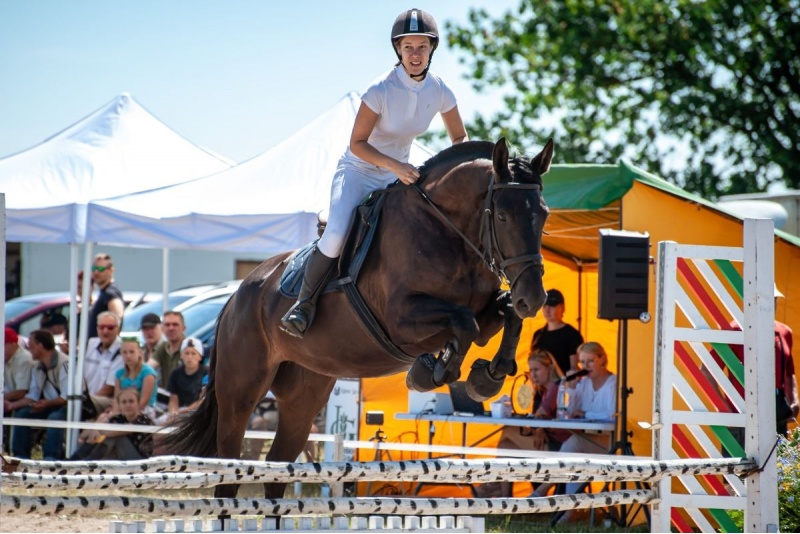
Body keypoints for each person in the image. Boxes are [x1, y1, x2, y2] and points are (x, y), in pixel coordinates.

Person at [280, 7, 468, 338]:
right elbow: (357, 144)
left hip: (401, 175)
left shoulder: (440, 90)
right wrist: (396, 166)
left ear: (431, 50)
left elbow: (460, 139)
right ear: (398, 50)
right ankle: (304, 304)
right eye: (408, 47)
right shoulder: (379, 89)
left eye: (422, 47)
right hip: (359, 171)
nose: (415, 54)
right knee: (337, 233)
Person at [532, 341, 617, 523]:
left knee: (574, 443)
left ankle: (545, 487)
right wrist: (570, 387)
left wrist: (586, 413)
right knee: (574, 451)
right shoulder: (584, 384)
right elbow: (568, 413)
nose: (585, 367)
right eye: (582, 362)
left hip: (608, 443)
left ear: (602, 359)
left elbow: (612, 416)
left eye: (590, 361)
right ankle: (570, 512)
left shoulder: (613, 383)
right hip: (586, 440)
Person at [710, 284, 799, 438]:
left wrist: (794, 400)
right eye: (767, 300)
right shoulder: (734, 331)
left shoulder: (784, 332)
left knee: (777, 462)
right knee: (738, 463)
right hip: (741, 418)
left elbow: (789, 372)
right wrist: (725, 410)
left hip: (776, 418)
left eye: (775, 300)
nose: (772, 305)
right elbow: (707, 370)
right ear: (753, 301)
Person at [8, 330, 69, 460]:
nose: (29, 348)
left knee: (55, 418)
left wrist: (46, 403)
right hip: (48, 405)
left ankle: (51, 458)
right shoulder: (37, 367)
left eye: (31, 344)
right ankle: (20, 457)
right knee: (21, 414)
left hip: (67, 407)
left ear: (40, 345)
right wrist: (13, 405)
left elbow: (65, 397)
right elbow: (33, 395)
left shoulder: (65, 363)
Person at [70, 388, 154, 461]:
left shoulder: (143, 420)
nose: (127, 405)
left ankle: (84, 461)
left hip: (140, 460)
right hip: (119, 456)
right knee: (102, 434)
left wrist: (97, 429)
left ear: (138, 404)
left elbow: (116, 432)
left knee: (115, 437)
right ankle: (76, 461)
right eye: (124, 402)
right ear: (120, 405)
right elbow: (83, 435)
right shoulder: (119, 418)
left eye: (131, 401)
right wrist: (96, 427)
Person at [530, 288, 584, 375]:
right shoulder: (538, 335)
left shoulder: (572, 335)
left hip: (563, 386)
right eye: (544, 306)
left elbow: (574, 368)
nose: (547, 310)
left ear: (562, 307)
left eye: (552, 306)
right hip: (541, 387)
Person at [83, 311, 124, 415]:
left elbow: (110, 388)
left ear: (118, 330)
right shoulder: (90, 343)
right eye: (102, 327)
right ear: (97, 328)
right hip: (86, 399)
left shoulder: (122, 350)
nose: (105, 331)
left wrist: (87, 402)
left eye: (110, 328)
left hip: (106, 401)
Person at [163, 337, 208, 421]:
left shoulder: (206, 373)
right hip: (180, 412)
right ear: (181, 356)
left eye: (193, 353)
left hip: (199, 413)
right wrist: (173, 414)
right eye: (186, 353)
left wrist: (183, 412)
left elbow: (202, 400)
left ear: (200, 357)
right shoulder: (175, 373)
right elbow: (173, 399)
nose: (189, 357)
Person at [114, 337, 158, 418]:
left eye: (132, 352)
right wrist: (115, 413)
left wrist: (126, 415)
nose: (128, 356)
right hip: (125, 410)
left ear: (139, 352)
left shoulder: (148, 373)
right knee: (103, 419)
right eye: (124, 352)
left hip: (145, 411)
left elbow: (144, 401)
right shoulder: (119, 374)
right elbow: (117, 399)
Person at [87, 253, 124, 340]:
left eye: (100, 269)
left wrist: (106, 345)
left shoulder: (111, 293)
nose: (96, 272)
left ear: (111, 270)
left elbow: (118, 316)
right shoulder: (103, 293)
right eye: (94, 268)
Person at [149, 311, 186, 389]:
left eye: (175, 325)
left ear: (184, 328)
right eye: (167, 325)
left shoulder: (189, 348)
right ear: (162, 329)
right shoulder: (163, 347)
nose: (171, 328)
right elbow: (147, 368)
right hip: (166, 397)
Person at [3, 327, 34, 416]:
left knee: (21, 414)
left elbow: (20, 393)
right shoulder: (6, 358)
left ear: (13, 344)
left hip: (29, 401)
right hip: (12, 399)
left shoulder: (23, 359)